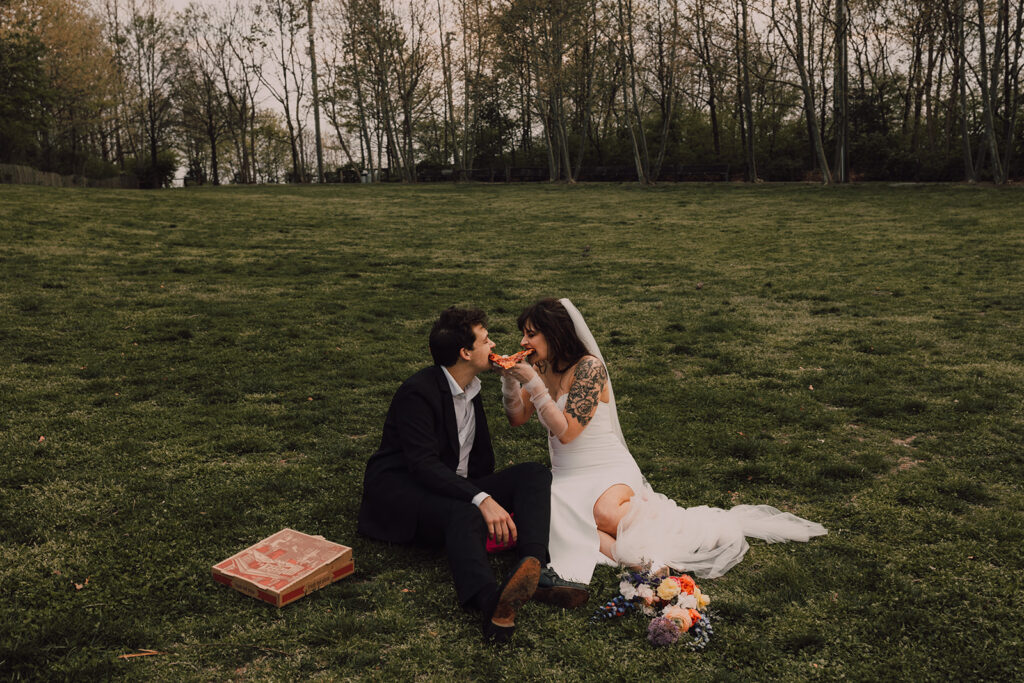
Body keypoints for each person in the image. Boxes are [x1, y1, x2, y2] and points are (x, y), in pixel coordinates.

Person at [496, 298, 827, 585]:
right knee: (554, 516)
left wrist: (533, 386)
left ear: (555, 333)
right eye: (524, 333)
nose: (524, 340)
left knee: (605, 513)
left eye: (531, 333)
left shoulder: (589, 369)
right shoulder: (538, 367)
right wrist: (512, 382)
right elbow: (518, 417)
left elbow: (566, 432)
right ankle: (643, 561)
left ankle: (674, 530)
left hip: (605, 466)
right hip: (566, 473)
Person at [357, 306, 588, 644]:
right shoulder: (417, 392)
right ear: (465, 353)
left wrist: (486, 494)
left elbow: (479, 462)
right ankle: (490, 603)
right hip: (404, 493)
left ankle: (533, 565)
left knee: (533, 474)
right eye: (485, 340)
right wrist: (482, 498)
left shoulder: (472, 386)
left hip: (450, 484)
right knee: (466, 511)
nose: (494, 344)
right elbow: (422, 466)